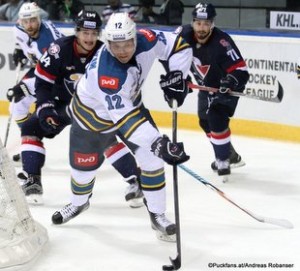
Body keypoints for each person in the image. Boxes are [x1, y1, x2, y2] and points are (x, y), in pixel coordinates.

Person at [51, 12, 192, 242]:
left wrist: (177, 75)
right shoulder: (107, 74)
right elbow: (127, 121)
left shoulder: (146, 38)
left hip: (130, 108)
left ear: (135, 37)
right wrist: (159, 143)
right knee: (83, 173)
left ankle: (157, 215)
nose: (123, 50)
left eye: (127, 44)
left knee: (152, 160)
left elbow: (179, 46)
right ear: (107, 43)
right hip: (92, 120)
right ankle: (79, 203)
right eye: (116, 46)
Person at [18, 10, 143, 208]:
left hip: (91, 109)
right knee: (30, 128)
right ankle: (33, 179)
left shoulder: (106, 53)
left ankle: (136, 181)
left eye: (94, 33)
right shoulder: (58, 50)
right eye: (85, 32)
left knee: (106, 139)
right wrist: (45, 108)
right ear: (76, 32)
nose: (90, 38)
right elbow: (42, 83)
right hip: (62, 105)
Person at [174, 3, 249, 177]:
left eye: (206, 23)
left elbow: (242, 71)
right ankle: (229, 153)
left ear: (212, 23)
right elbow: (166, 52)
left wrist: (230, 81)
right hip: (206, 85)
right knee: (204, 121)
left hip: (227, 87)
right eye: (198, 23)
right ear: (192, 22)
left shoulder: (222, 42)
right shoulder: (182, 35)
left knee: (216, 117)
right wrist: (178, 76)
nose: (202, 28)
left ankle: (223, 161)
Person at [6, 2, 63, 162]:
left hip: (58, 78)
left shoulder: (49, 42)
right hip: (41, 68)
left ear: (39, 19)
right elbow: (21, 39)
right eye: (25, 21)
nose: (29, 25)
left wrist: (24, 88)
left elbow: (55, 74)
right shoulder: (18, 28)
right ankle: (29, 143)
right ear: (20, 21)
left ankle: (30, 144)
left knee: (18, 96)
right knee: (16, 106)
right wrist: (19, 49)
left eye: (32, 20)